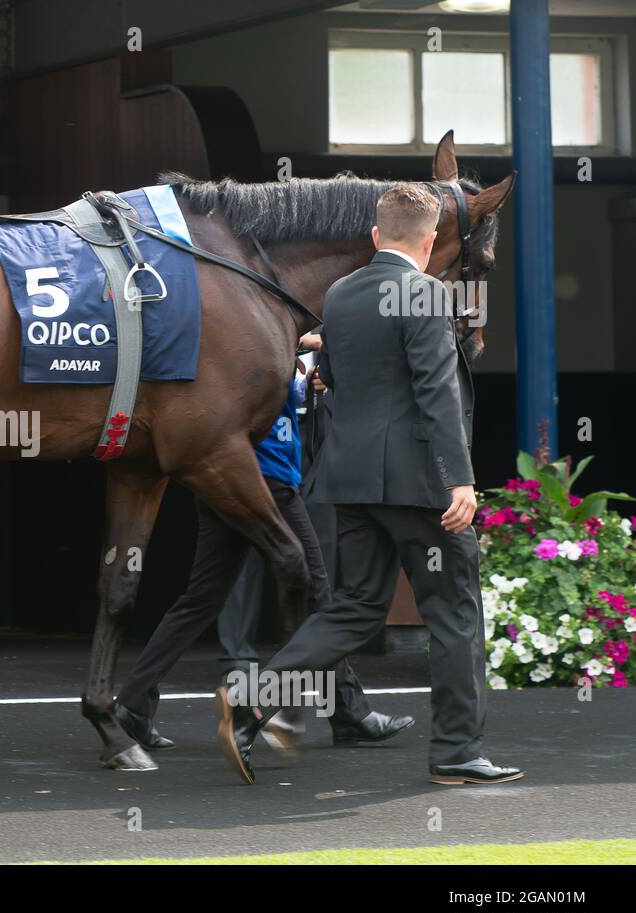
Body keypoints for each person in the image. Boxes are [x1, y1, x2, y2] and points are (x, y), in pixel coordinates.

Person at [215, 183, 522, 786]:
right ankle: (458, 752)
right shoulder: (428, 294)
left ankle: (254, 703)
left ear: (376, 236)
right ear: (432, 241)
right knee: (456, 615)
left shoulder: (342, 294)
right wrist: (459, 481)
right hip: (418, 486)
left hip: (349, 480)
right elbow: (436, 393)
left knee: (354, 609)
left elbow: (327, 376)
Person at [115, 343, 412, 753]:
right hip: (265, 481)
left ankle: (132, 702)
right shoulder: (263, 336)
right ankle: (344, 712)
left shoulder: (258, 338)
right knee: (319, 596)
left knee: (201, 598)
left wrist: (314, 377)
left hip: (226, 479)